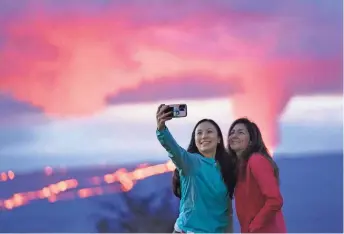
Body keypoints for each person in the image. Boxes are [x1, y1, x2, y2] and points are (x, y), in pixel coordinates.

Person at [156, 104, 236, 233]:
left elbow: (227, 212)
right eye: (199, 133)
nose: (204, 136)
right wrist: (162, 128)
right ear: (195, 140)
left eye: (209, 132)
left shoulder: (227, 168)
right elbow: (173, 149)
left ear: (219, 139)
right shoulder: (190, 162)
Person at [228, 117, 286, 233]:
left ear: (251, 140)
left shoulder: (256, 160)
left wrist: (255, 226)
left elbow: (275, 200)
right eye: (232, 132)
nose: (234, 136)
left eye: (241, 132)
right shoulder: (239, 169)